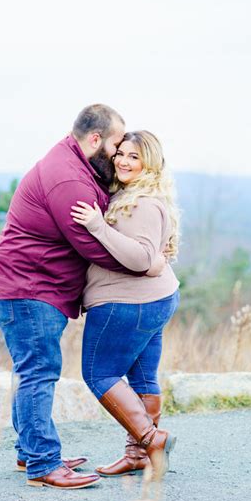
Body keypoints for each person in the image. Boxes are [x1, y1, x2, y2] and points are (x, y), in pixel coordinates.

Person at [0, 105, 165, 489]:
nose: (118, 154)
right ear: (95, 139)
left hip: (31, 286)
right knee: (39, 370)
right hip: (28, 287)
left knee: (32, 369)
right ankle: (43, 465)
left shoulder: (74, 165)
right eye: (117, 145)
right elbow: (91, 246)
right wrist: (144, 265)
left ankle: (30, 450)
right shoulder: (69, 181)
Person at [70, 130, 180, 478]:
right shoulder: (133, 195)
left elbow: (142, 258)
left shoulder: (144, 202)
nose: (122, 161)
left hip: (128, 303)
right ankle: (139, 456)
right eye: (121, 154)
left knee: (98, 373)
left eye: (134, 156)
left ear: (149, 162)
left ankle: (150, 438)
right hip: (153, 300)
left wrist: (98, 226)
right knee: (143, 376)